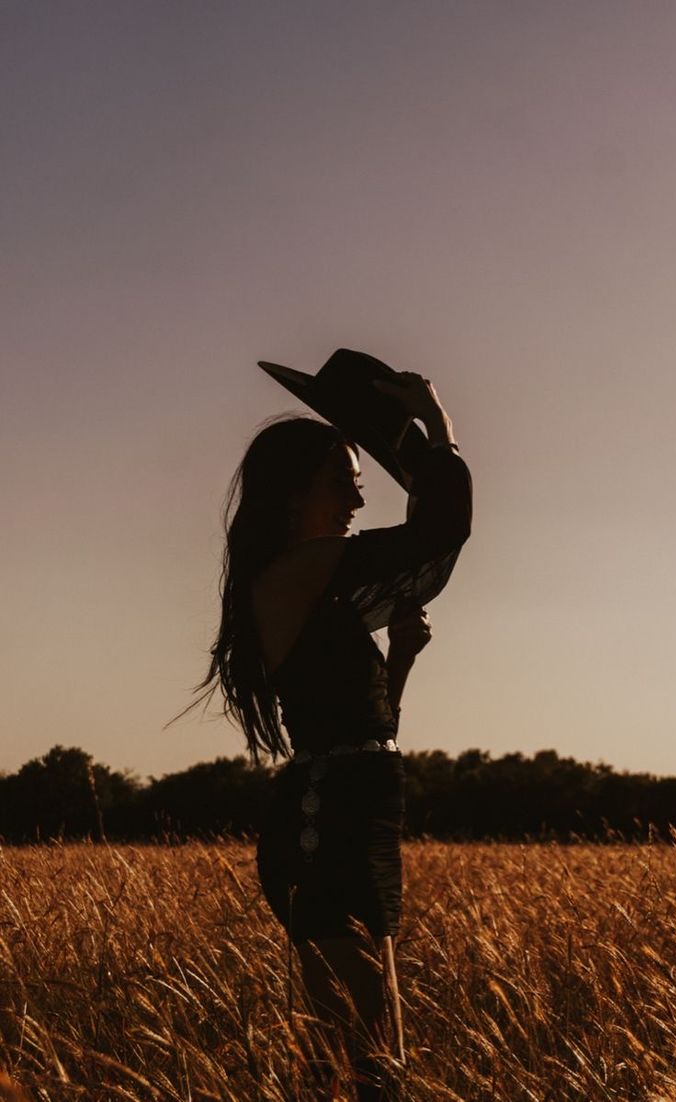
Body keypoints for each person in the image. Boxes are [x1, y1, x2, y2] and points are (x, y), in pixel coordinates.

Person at [195, 361, 472, 1100]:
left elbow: (360, 730)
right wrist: (437, 425)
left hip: (354, 803)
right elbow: (441, 529)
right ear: (292, 498)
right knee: (364, 1044)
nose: (358, 493)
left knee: (355, 1041)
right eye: (341, 479)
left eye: (358, 477)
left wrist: (401, 664)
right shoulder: (302, 568)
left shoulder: (319, 583)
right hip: (329, 817)